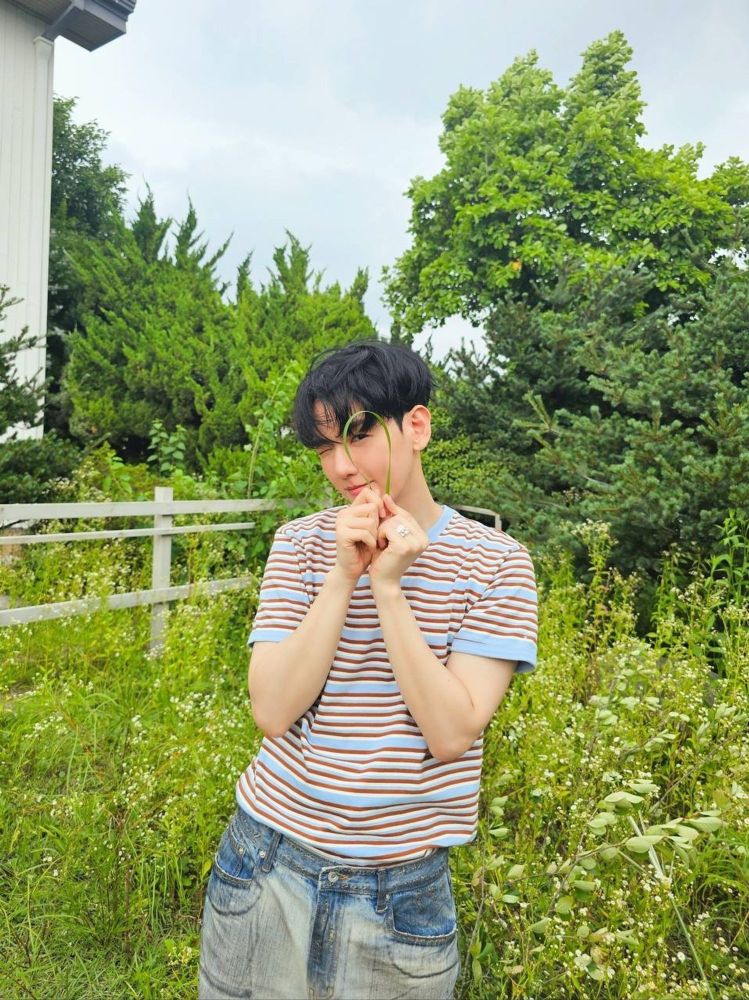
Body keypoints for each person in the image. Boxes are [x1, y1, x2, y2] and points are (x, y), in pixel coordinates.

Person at [198, 339, 538, 1000]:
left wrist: (387, 588)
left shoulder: (497, 564)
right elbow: (272, 711)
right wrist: (341, 577)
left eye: (358, 434)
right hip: (265, 860)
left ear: (417, 426)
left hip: (400, 892)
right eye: (324, 447)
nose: (341, 466)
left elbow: (451, 732)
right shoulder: (301, 544)